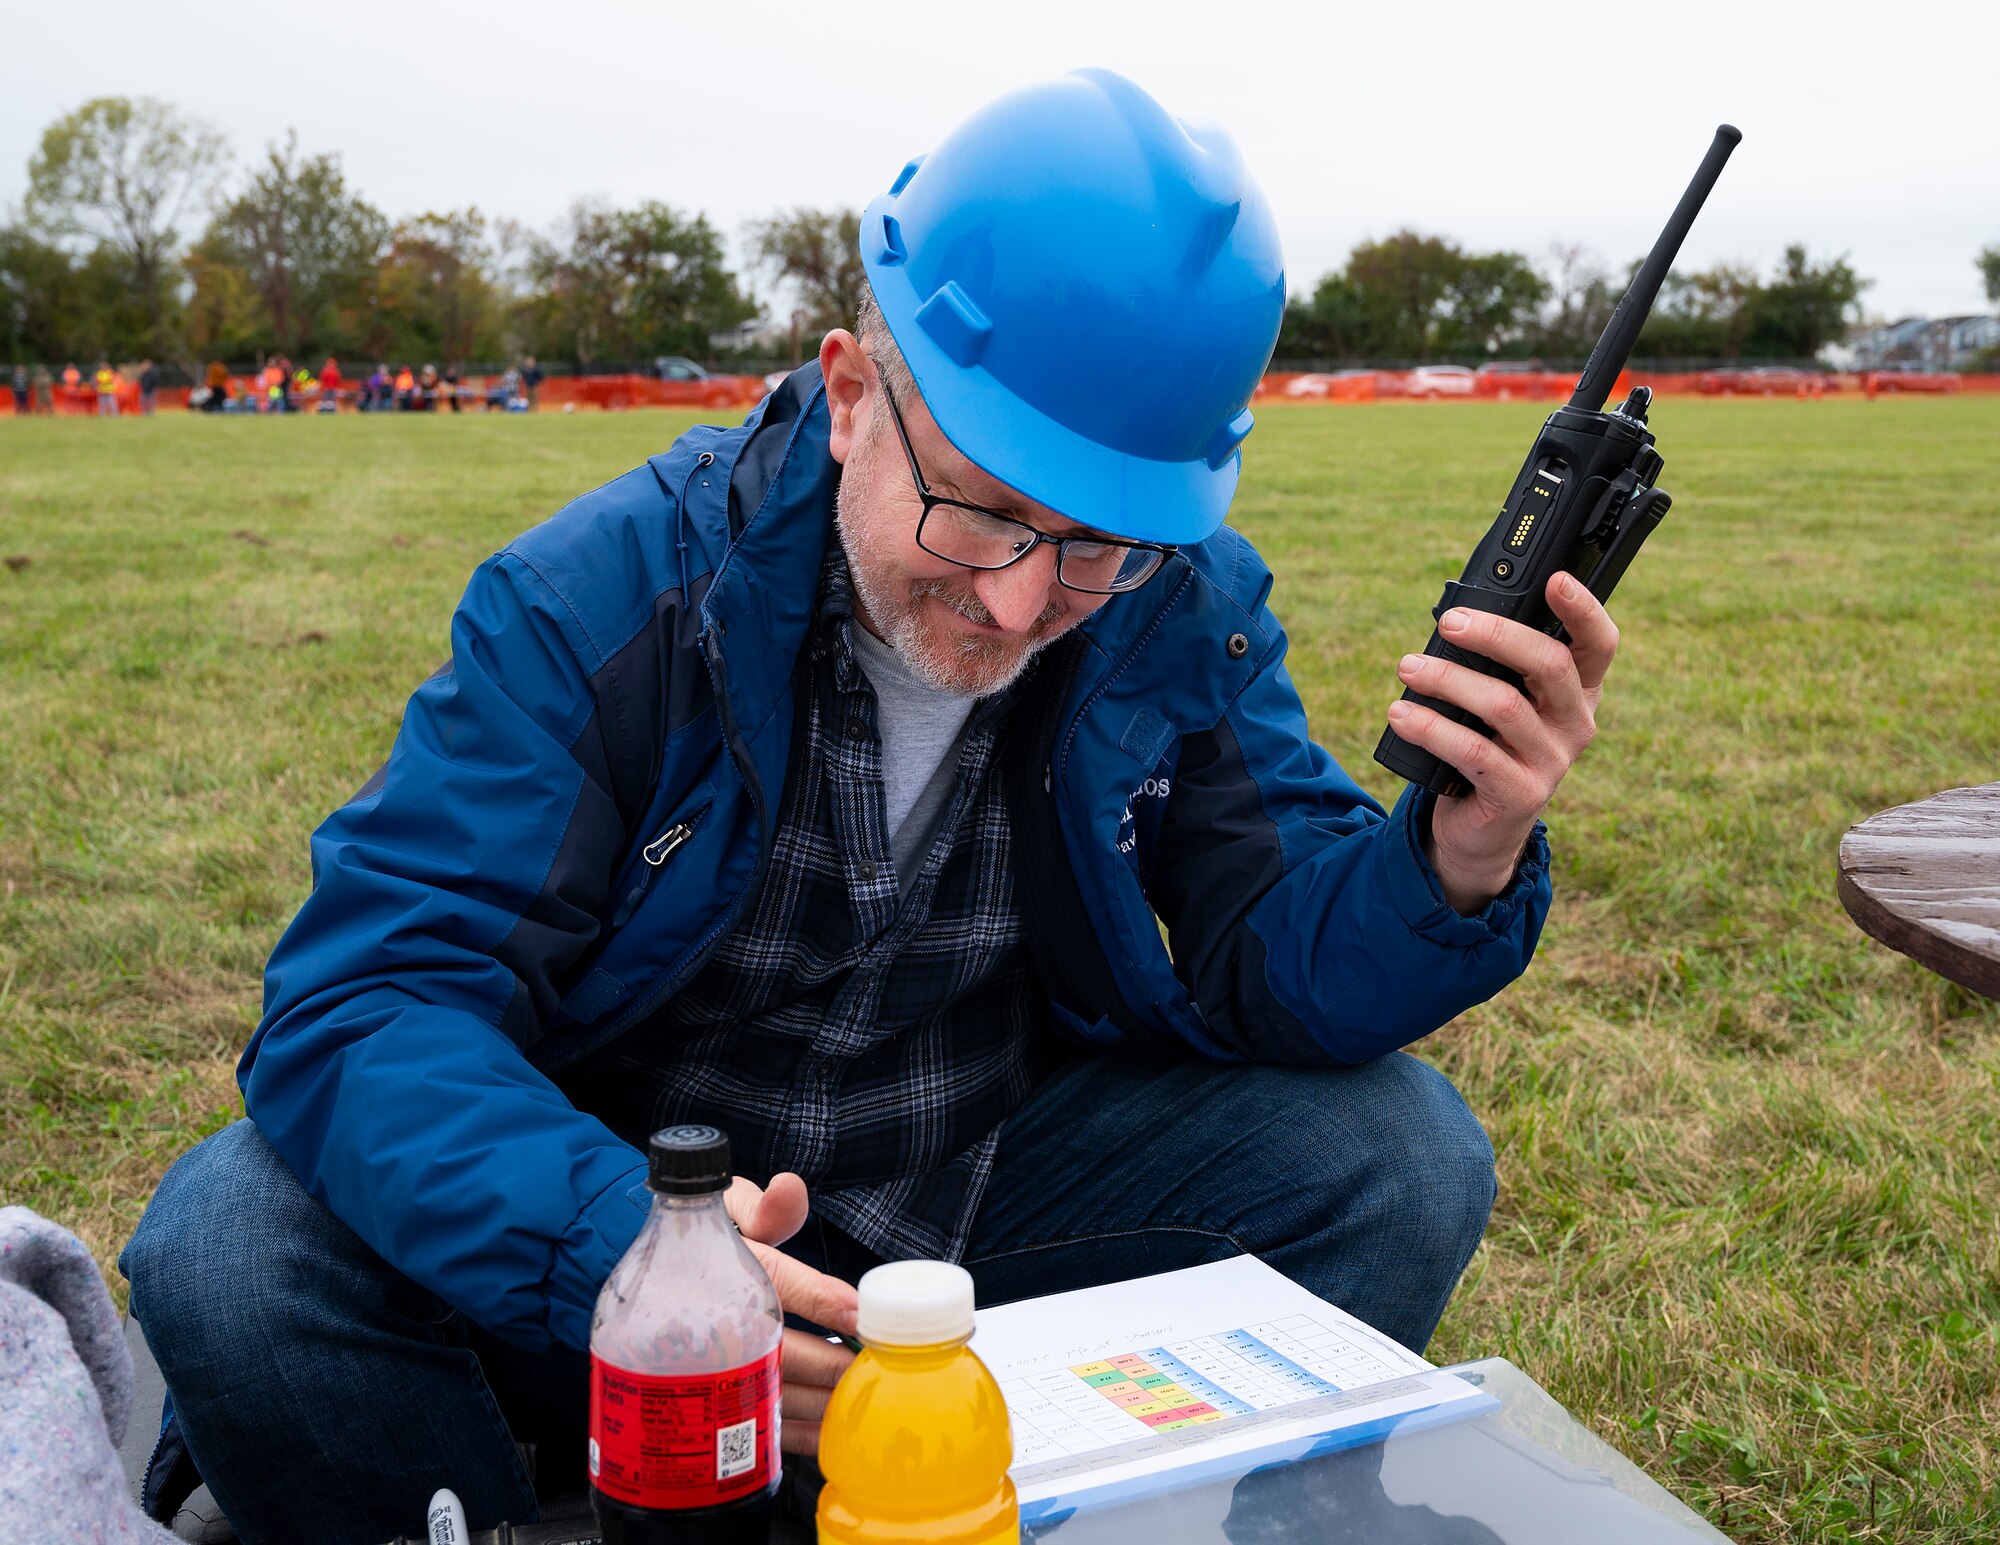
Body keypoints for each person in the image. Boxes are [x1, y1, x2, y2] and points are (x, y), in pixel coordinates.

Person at [123, 72, 1619, 1545]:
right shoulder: (597, 604)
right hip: (612, 1242)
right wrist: (648, 1267)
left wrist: (1455, 856)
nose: (1025, 598)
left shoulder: (1179, 608)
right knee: (234, 1247)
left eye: (1098, 543)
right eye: (978, 508)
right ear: (851, 393)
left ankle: (1034, 1500)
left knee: (1398, 1157)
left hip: (964, 1227)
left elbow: (1265, 953)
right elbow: (369, 1001)